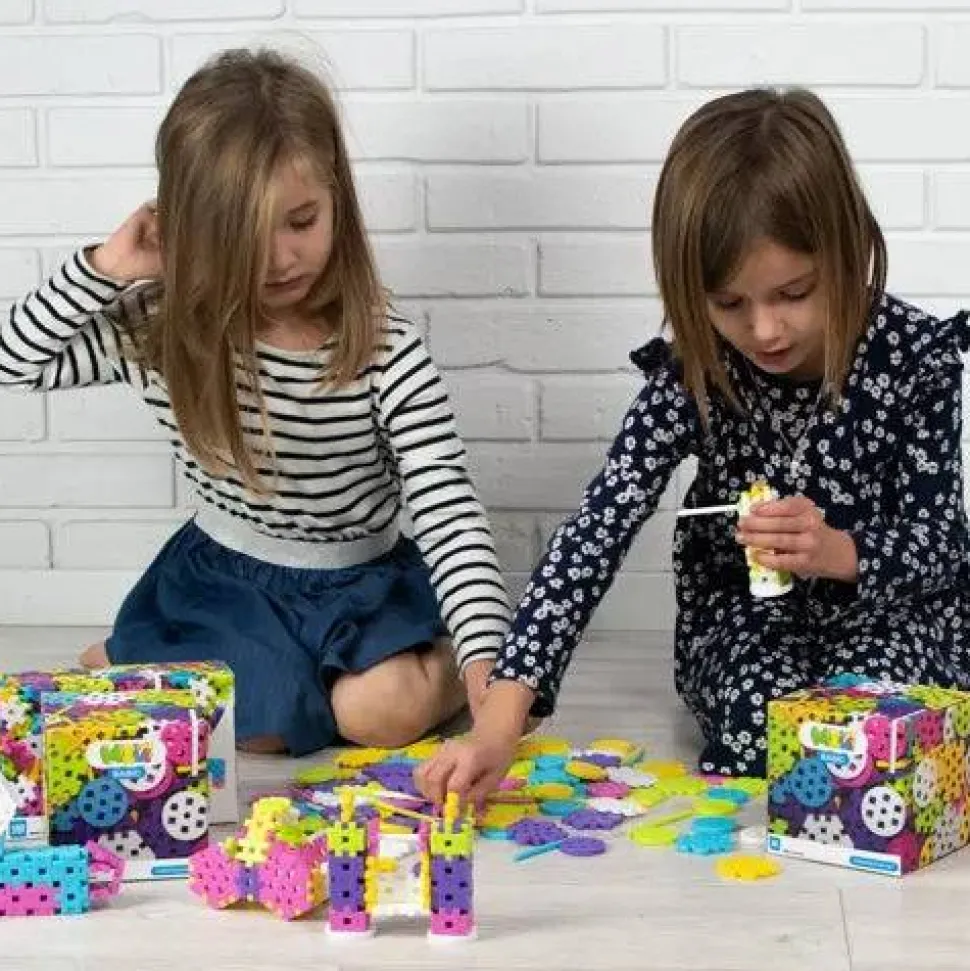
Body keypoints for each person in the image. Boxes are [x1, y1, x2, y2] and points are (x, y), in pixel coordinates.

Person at [416, 86, 970, 802]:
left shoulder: (915, 359)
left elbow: (940, 543)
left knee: (878, 717)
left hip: (887, 611)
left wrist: (837, 551)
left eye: (794, 293)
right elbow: (599, 526)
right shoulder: (698, 370)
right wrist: (499, 720)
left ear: (846, 247)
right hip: (750, 620)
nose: (764, 330)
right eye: (729, 303)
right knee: (755, 724)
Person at [0, 48, 512, 757]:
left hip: (358, 586)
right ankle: (184, 664)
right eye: (243, 232)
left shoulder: (382, 346)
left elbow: (446, 503)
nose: (279, 259)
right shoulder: (164, 327)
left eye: (300, 221)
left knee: (378, 715)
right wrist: (107, 267)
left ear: (336, 202)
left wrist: (488, 658)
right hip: (226, 581)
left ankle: (441, 658)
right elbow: (14, 361)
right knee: (254, 734)